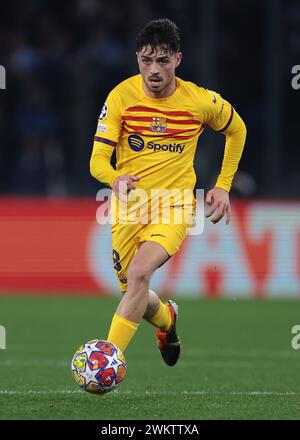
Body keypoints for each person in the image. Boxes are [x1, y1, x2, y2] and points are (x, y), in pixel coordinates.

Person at [90, 18, 246, 366]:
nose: (153, 70)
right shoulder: (121, 97)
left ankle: (106, 360)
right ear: (137, 60)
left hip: (174, 206)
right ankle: (166, 319)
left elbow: (238, 130)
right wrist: (114, 177)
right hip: (129, 208)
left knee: (140, 275)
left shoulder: (199, 101)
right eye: (146, 60)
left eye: (162, 60)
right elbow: (97, 159)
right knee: (135, 291)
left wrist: (223, 186)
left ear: (177, 58)